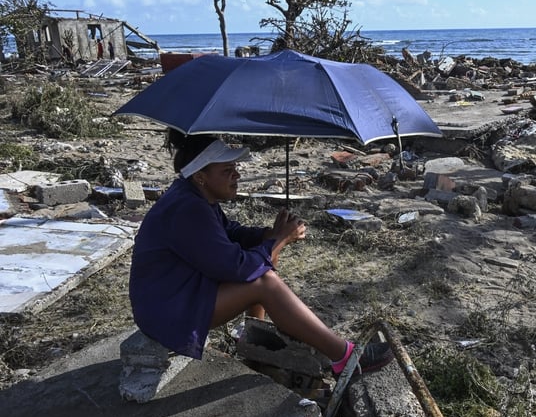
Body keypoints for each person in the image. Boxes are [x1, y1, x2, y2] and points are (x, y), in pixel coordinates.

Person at [128, 129, 393, 375]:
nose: (237, 175)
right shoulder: (188, 209)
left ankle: (254, 339)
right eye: (227, 170)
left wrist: (269, 235)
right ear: (201, 176)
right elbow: (236, 267)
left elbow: (229, 232)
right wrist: (280, 240)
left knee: (260, 258)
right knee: (264, 282)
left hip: (177, 294)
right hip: (167, 311)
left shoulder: (194, 196)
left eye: (236, 168)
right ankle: (344, 358)